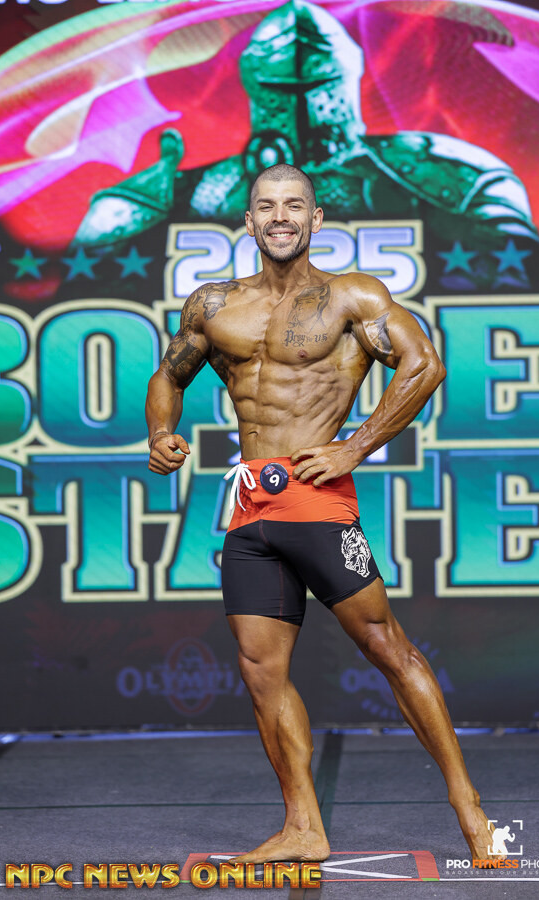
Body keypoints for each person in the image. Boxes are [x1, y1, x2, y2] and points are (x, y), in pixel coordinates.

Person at [146, 163, 493, 864]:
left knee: (387, 647)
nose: (281, 216)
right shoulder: (212, 305)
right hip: (251, 507)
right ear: (249, 221)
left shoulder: (351, 296)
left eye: (294, 205)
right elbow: (169, 375)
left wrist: (354, 447)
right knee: (260, 670)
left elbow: (424, 364)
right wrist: (160, 432)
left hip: (316, 501)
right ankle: (303, 827)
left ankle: (471, 810)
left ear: (316, 219)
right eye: (267, 206)